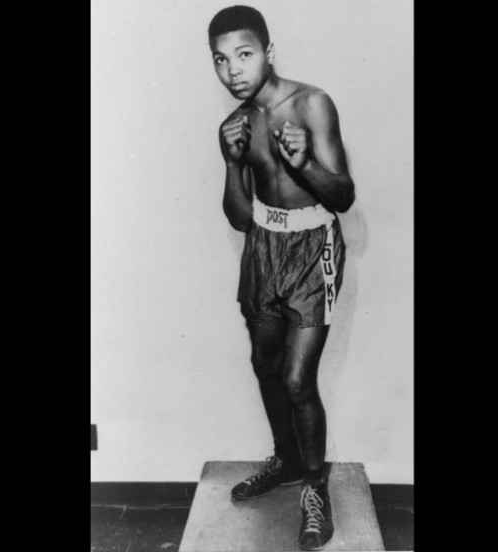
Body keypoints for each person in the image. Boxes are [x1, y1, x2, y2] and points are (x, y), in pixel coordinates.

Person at [208, 5, 355, 550]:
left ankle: (316, 489)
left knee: (298, 380)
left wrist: (304, 167)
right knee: (264, 364)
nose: (233, 71)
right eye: (221, 60)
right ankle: (287, 460)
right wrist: (229, 161)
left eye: (244, 55)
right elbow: (240, 218)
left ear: (268, 52)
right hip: (262, 247)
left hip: (313, 246)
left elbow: (342, 195)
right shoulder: (237, 123)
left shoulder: (312, 103)